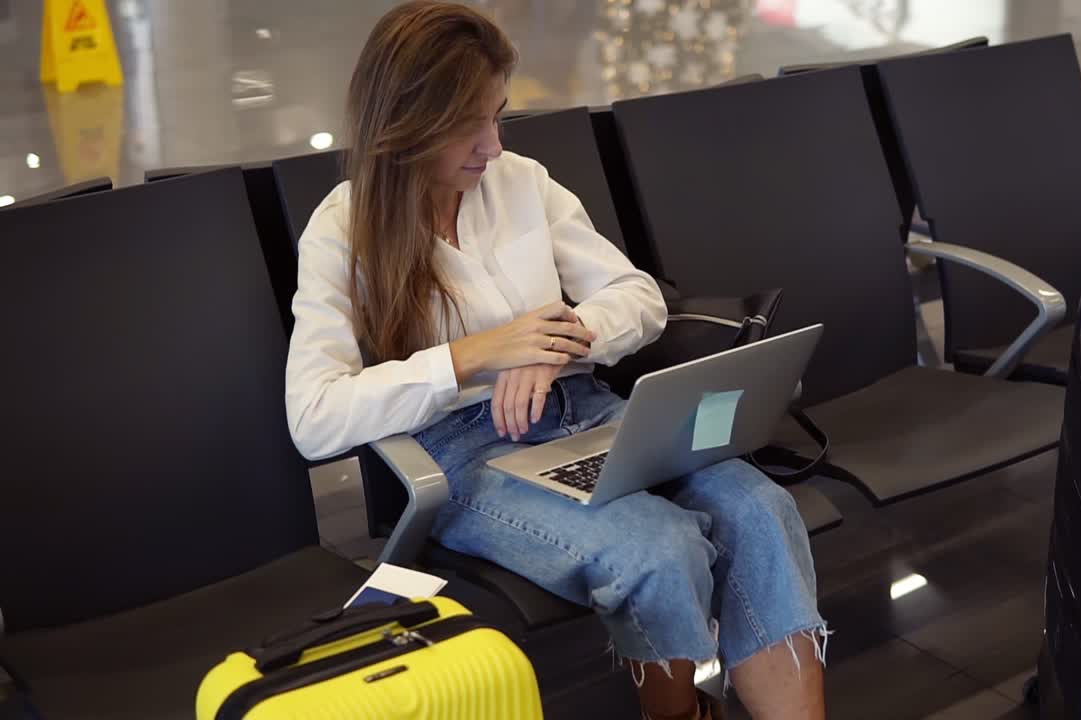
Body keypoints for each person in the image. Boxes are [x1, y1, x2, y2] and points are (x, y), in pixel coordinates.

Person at [283, 3, 826, 718]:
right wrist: (476, 355)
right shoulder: (343, 230)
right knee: (656, 548)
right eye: (468, 124)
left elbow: (637, 297)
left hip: (588, 412)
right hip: (463, 452)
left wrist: (555, 343)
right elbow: (314, 418)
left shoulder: (522, 183)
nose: (493, 144)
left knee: (759, 507)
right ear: (406, 125)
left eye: (498, 115)